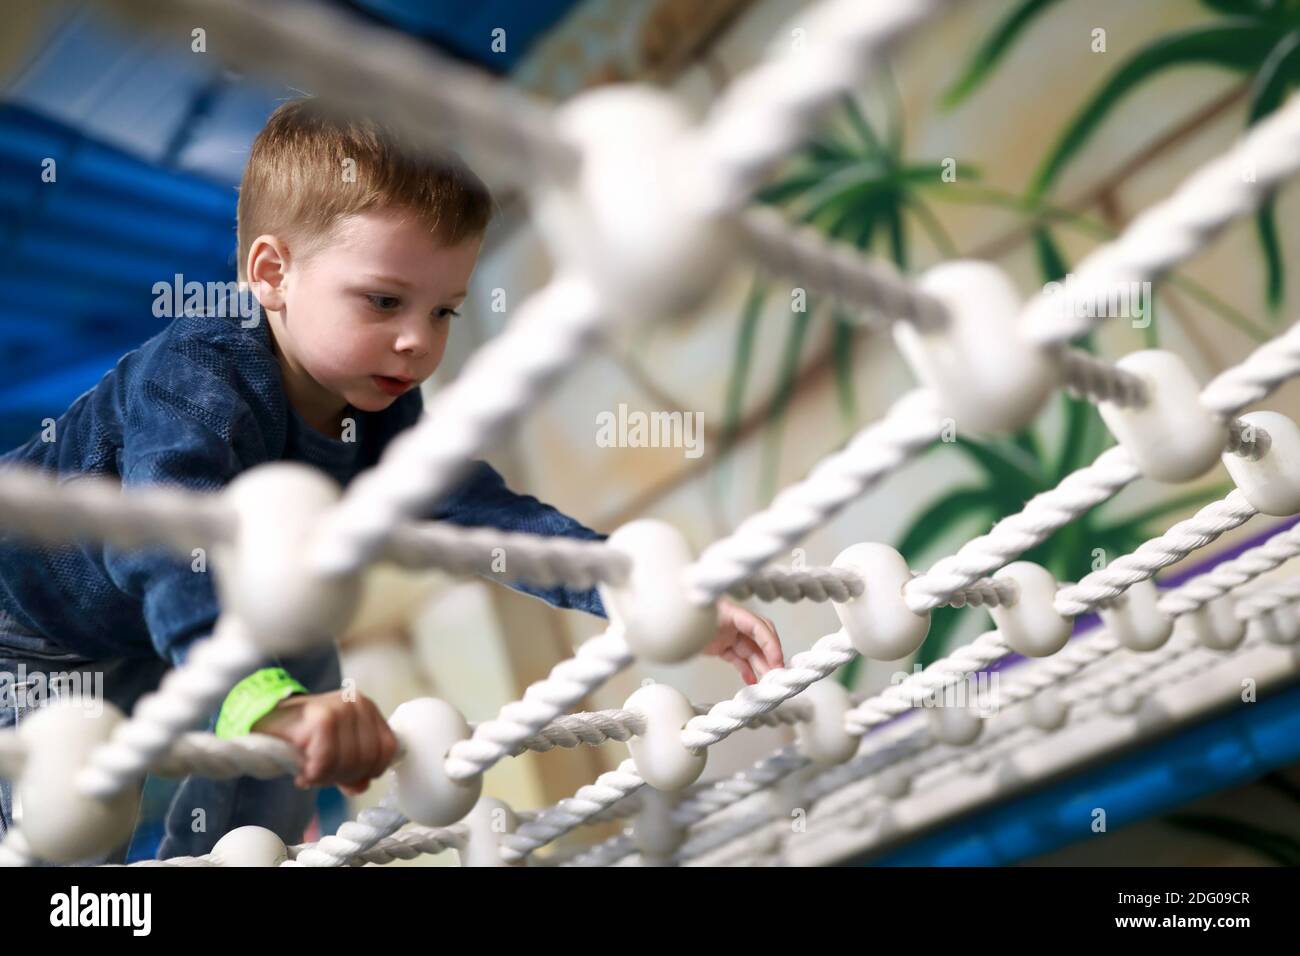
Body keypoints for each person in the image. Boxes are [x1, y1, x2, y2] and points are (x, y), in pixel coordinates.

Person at [0, 97, 785, 863]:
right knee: (73, 829)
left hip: (158, 620)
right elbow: (166, 537)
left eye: (444, 311)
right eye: (383, 301)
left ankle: (223, 855)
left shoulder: (377, 407)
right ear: (272, 272)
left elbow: (478, 516)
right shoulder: (195, 378)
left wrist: (630, 589)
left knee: (294, 716)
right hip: (29, 632)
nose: (416, 342)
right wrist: (261, 701)